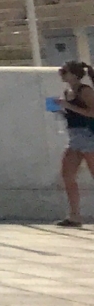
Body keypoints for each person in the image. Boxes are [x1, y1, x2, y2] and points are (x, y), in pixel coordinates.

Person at [52, 59, 94, 227]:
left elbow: (92, 113)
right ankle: (74, 215)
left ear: (74, 74)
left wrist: (68, 106)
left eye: (65, 71)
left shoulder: (85, 91)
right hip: (75, 137)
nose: (62, 73)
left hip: (88, 136)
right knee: (67, 175)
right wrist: (62, 109)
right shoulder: (68, 91)